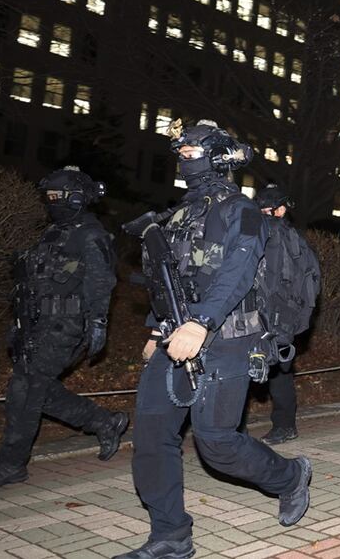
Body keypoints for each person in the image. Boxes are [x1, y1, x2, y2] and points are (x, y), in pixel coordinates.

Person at [118, 120, 311, 559]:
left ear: (218, 157)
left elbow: (237, 273)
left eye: (190, 153)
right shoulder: (183, 212)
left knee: (217, 443)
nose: (183, 161)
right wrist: (156, 327)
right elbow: (172, 278)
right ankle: (170, 535)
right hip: (175, 337)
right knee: (151, 436)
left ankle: (290, 477)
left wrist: (201, 322)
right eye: (180, 154)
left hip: (227, 338)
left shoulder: (240, 210)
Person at [0, 167, 127, 489]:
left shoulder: (91, 233)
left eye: (60, 196)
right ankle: (105, 421)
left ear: (78, 198)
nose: (53, 202)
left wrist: (98, 323)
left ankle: (11, 464)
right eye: (50, 197)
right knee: (35, 389)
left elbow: (101, 282)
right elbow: (34, 282)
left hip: (64, 326)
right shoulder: (53, 233)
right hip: (36, 324)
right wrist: (18, 322)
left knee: (24, 391)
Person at [254, 184, 321, 445]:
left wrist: (293, 319)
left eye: (266, 209)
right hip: (263, 313)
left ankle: (284, 425)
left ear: (281, 209)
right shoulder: (273, 234)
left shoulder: (288, 239)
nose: (262, 214)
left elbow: (306, 283)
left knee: (279, 370)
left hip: (277, 315)